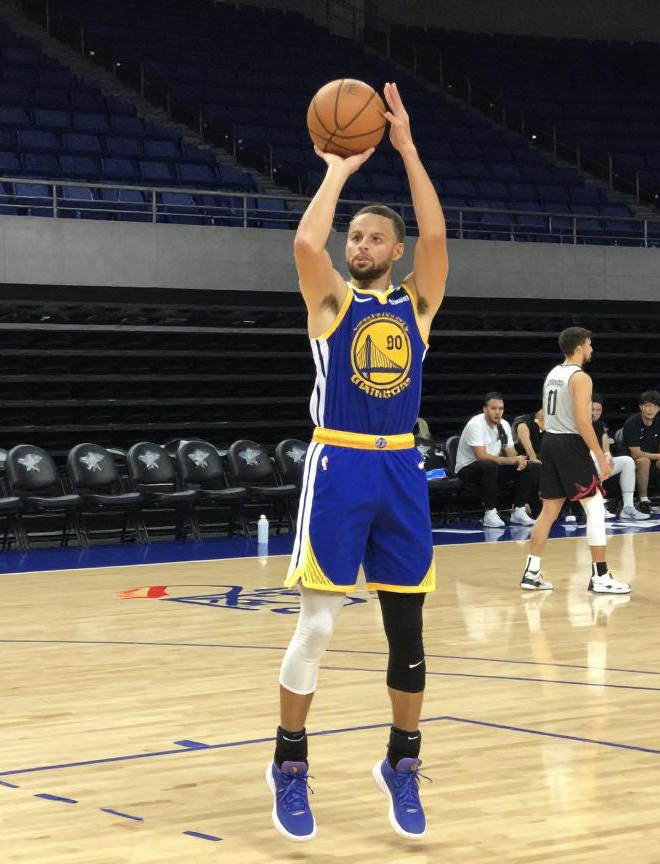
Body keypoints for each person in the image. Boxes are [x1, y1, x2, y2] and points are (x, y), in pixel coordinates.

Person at [269, 82, 446, 843]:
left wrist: (406, 148)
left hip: (400, 470)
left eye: (376, 239)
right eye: (357, 238)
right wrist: (338, 169)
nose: (361, 246)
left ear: (396, 252)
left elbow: (437, 235)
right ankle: (289, 763)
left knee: (408, 632)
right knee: (317, 627)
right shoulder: (332, 304)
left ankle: (401, 761)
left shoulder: (418, 305)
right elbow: (306, 246)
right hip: (339, 464)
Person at [518, 327, 631, 595]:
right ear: (579, 347)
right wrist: (600, 457)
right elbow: (583, 422)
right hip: (569, 444)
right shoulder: (581, 378)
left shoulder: (553, 374)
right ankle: (600, 575)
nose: (592, 349)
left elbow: (544, 416)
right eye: (590, 344)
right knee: (595, 507)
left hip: (550, 442)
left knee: (549, 510)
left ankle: (531, 572)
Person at [455, 392, 536, 528]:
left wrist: (518, 460)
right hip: (467, 468)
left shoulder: (504, 424)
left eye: (501, 408)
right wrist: (512, 460)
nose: (497, 412)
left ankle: (519, 510)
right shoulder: (475, 424)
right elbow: (481, 456)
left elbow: (510, 452)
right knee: (489, 465)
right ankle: (490, 513)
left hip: (492, 467)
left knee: (525, 465)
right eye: (493, 408)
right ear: (484, 409)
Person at [591, 393, 649, 520]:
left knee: (627, 461)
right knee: (594, 462)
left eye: (598, 410)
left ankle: (628, 508)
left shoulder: (599, 425)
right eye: (592, 409)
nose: (595, 413)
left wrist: (607, 454)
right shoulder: (579, 424)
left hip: (598, 464)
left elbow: (604, 439)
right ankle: (597, 508)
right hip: (581, 467)